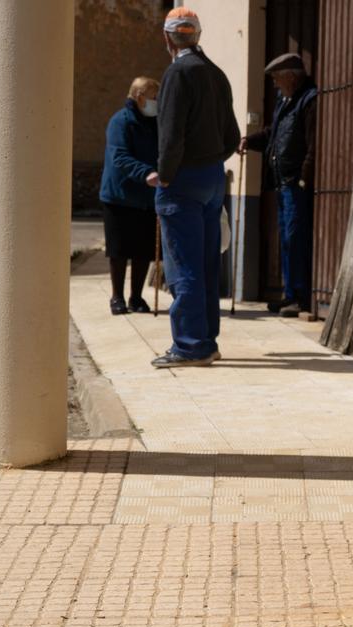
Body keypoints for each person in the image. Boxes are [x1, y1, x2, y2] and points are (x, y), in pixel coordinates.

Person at [146, 7, 240, 368]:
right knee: (204, 263)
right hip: (212, 176)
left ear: (167, 37)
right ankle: (206, 341)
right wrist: (213, 158)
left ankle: (189, 346)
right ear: (197, 36)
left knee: (182, 264)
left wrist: (166, 174)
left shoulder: (177, 73)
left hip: (182, 179)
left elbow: (170, 135)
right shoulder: (216, 74)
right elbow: (232, 135)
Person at [239, 53, 318, 317]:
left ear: (292, 77)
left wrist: (305, 177)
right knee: (286, 239)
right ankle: (290, 295)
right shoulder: (285, 102)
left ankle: (300, 296)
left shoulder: (309, 100)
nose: (274, 84)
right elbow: (272, 133)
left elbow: (313, 145)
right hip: (282, 182)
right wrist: (248, 141)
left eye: (277, 78)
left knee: (296, 238)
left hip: (296, 182)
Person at [98, 76, 160, 315]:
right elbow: (120, 156)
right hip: (119, 196)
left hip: (146, 196)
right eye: (154, 97)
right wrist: (146, 173)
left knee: (143, 250)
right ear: (139, 97)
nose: (156, 103)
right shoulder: (120, 122)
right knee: (119, 250)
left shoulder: (154, 123)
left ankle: (136, 297)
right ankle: (117, 297)